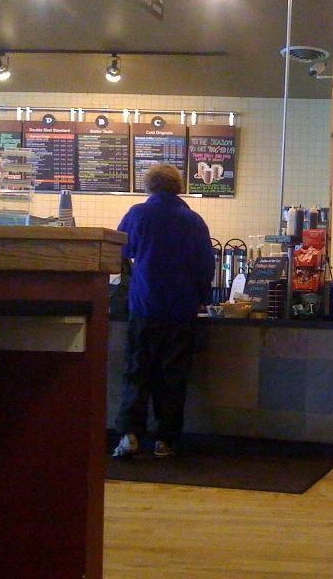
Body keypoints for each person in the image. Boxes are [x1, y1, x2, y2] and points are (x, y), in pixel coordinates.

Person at [112, 164, 215, 459]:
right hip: (181, 311)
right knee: (172, 377)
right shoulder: (193, 220)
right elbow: (206, 266)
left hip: (144, 307)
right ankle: (165, 441)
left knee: (137, 372)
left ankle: (130, 435)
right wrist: (201, 298)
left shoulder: (138, 214)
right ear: (178, 187)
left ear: (149, 186)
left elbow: (118, 252)